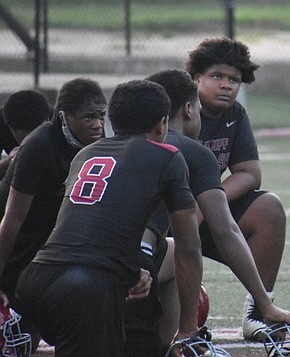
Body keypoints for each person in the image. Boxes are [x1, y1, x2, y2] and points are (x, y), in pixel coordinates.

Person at [10, 80, 203, 357]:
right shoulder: (168, 157)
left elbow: (92, 224)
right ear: (162, 124)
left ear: (111, 120)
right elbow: (189, 246)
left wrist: (132, 271)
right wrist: (187, 327)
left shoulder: (85, 154)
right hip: (87, 285)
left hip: (36, 278)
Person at [142, 69, 290, 349]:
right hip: (130, 273)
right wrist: (265, 303)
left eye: (233, 79)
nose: (225, 85)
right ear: (189, 109)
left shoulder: (98, 149)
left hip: (60, 273)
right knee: (180, 248)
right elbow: (224, 233)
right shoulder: (191, 151)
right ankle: (179, 336)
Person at [185, 37, 288, 341]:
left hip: (203, 210)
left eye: (234, 80)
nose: (227, 85)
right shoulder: (179, 111)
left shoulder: (235, 115)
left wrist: (208, 202)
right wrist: (190, 208)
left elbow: (249, 173)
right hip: (163, 214)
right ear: (196, 77)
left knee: (269, 209)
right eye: (217, 76)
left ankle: (257, 311)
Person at [0, 78, 106, 345]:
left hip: (58, 245)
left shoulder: (98, 142)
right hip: (23, 246)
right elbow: (11, 221)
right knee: (23, 340)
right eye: (88, 117)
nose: (97, 125)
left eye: (101, 117)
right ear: (64, 116)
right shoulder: (38, 146)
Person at [0, 90, 52, 179]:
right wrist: (8, 162)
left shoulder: (59, 122)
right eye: (26, 139)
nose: (31, 145)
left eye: (35, 137)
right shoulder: (2, 123)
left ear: (47, 122)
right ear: (10, 128)